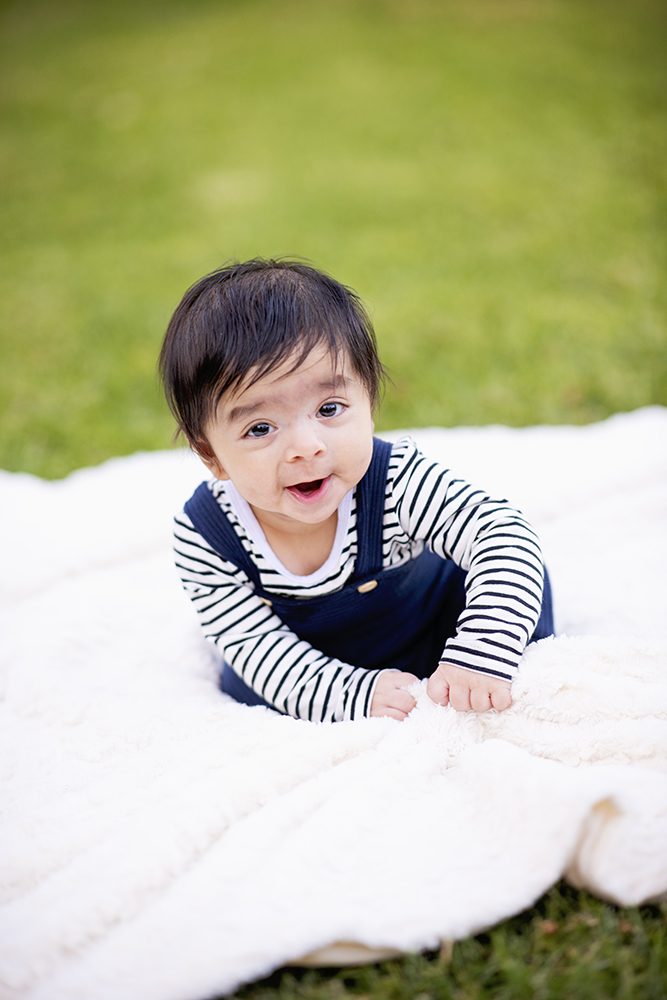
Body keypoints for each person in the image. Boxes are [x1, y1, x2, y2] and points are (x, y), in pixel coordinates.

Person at [159, 258, 554, 723]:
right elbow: (256, 648)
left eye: (329, 408)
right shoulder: (207, 534)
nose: (306, 447)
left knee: (521, 616)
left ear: (369, 403)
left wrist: (482, 649)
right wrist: (357, 695)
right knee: (246, 684)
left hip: (439, 630)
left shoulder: (395, 481)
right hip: (311, 664)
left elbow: (503, 536)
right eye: (261, 428)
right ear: (211, 456)